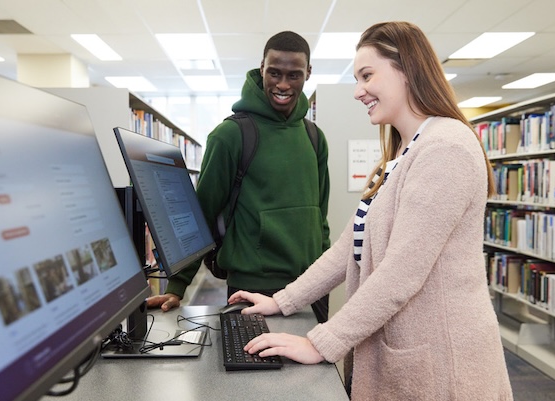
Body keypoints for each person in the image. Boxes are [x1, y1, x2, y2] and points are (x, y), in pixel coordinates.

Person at [228, 21, 514, 401]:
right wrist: (284, 300)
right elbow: (348, 246)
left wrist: (321, 343)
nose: (358, 91)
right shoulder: (402, 152)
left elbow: (402, 272)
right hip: (407, 351)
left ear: (406, 70)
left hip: (445, 365)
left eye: (367, 75)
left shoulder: (446, 149)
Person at [146, 31, 331, 323]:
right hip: (254, 285)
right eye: (274, 73)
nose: (283, 84)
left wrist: (324, 275)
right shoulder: (230, 136)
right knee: (254, 367)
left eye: (294, 75)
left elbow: (320, 217)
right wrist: (178, 286)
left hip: (310, 286)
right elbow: (202, 214)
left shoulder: (314, 137)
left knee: (321, 369)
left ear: (308, 73)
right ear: (261, 69)